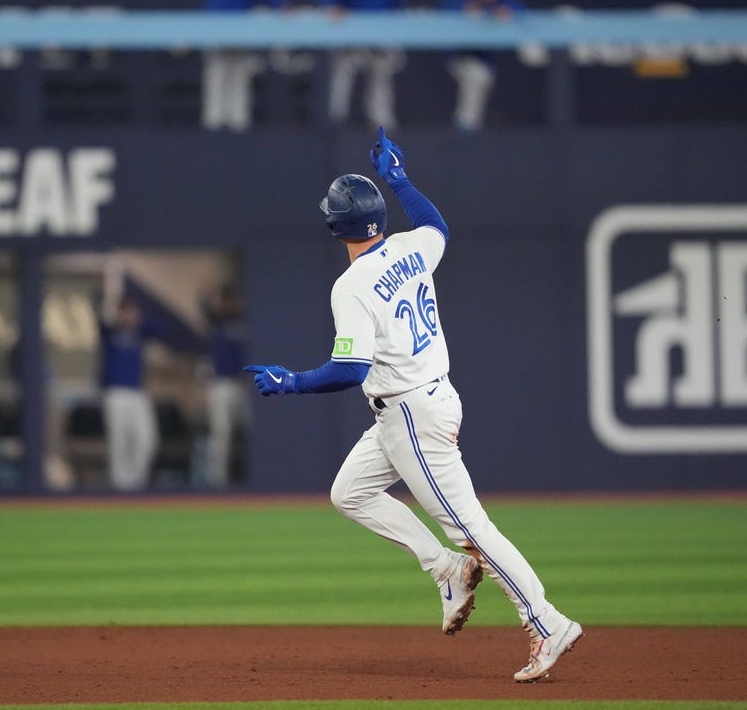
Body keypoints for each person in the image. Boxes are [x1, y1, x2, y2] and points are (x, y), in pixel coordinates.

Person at [244, 128, 582, 683]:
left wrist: (293, 382)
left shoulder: (350, 287)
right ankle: (447, 572)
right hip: (424, 399)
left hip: (410, 415)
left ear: (334, 226)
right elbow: (436, 226)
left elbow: (349, 370)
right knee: (348, 493)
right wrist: (399, 178)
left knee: (472, 528)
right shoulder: (408, 247)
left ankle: (545, 621)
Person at [318, 0, 403, 128]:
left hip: (380, 31)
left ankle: (381, 120)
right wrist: (333, 8)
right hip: (351, 31)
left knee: (381, 73)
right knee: (343, 71)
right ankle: (335, 119)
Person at [202, 0, 285, 132]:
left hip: (241, 34)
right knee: (217, 74)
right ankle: (213, 124)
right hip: (217, 31)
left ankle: (239, 125)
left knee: (239, 76)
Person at [441, 0, 523, 133]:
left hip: (489, 59)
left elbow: (521, 13)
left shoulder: (500, 3)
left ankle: (471, 125)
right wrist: (465, 13)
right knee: (477, 74)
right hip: (460, 56)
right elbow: (444, 11)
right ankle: (466, 125)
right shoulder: (461, 1)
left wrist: (504, 14)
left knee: (481, 73)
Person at [99, 297, 161, 490]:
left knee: (147, 439)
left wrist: (139, 318)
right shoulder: (110, 332)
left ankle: (136, 484)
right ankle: (119, 486)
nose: (128, 315)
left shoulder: (140, 332)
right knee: (119, 441)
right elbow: (97, 313)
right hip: (115, 392)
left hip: (137, 393)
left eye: (131, 311)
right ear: (118, 313)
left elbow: (161, 328)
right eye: (124, 311)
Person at [202, 284, 250, 488]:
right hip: (220, 383)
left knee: (247, 428)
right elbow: (203, 304)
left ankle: (246, 476)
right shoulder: (217, 321)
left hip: (242, 384)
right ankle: (216, 480)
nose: (229, 304)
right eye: (225, 300)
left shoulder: (244, 321)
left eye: (232, 300)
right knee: (221, 432)